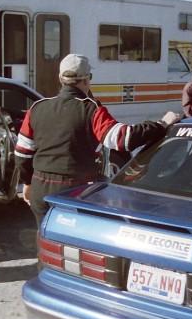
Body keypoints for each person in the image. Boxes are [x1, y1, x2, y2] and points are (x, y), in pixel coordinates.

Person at [15, 54, 180, 225]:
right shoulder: (91, 109)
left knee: (47, 240)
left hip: (40, 187)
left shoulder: (37, 108)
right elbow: (122, 139)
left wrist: (28, 182)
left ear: (60, 78)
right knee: (74, 243)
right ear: (87, 80)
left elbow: (22, 153)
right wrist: (161, 124)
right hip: (73, 189)